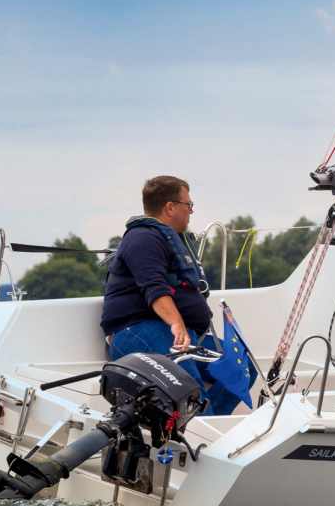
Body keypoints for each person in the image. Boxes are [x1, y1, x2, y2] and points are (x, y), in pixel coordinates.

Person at [100, 175, 251, 415]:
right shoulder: (143, 238)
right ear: (170, 207)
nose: (191, 211)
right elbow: (154, 288)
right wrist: (177, 324)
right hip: (138, 330)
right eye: (188, 205)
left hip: (179, 333)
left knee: (243, 367)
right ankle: (202, 431)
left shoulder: (168, 239)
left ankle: (208, 423)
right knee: (190, 393)